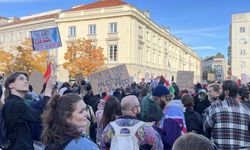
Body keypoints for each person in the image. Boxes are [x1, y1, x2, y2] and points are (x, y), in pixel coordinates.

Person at [2, 72, 55, 150]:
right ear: (11, 85)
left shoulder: (13, 102)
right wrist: (48, 89)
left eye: (27, 79)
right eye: (21, 79)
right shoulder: (15, 104)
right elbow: (41, 116)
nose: (26, 81)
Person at [203, 80, 250, 150]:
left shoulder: (214, 108)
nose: (219, 92)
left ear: (226, 92)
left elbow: (205, 127)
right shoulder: (247, 110)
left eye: (221, 89)